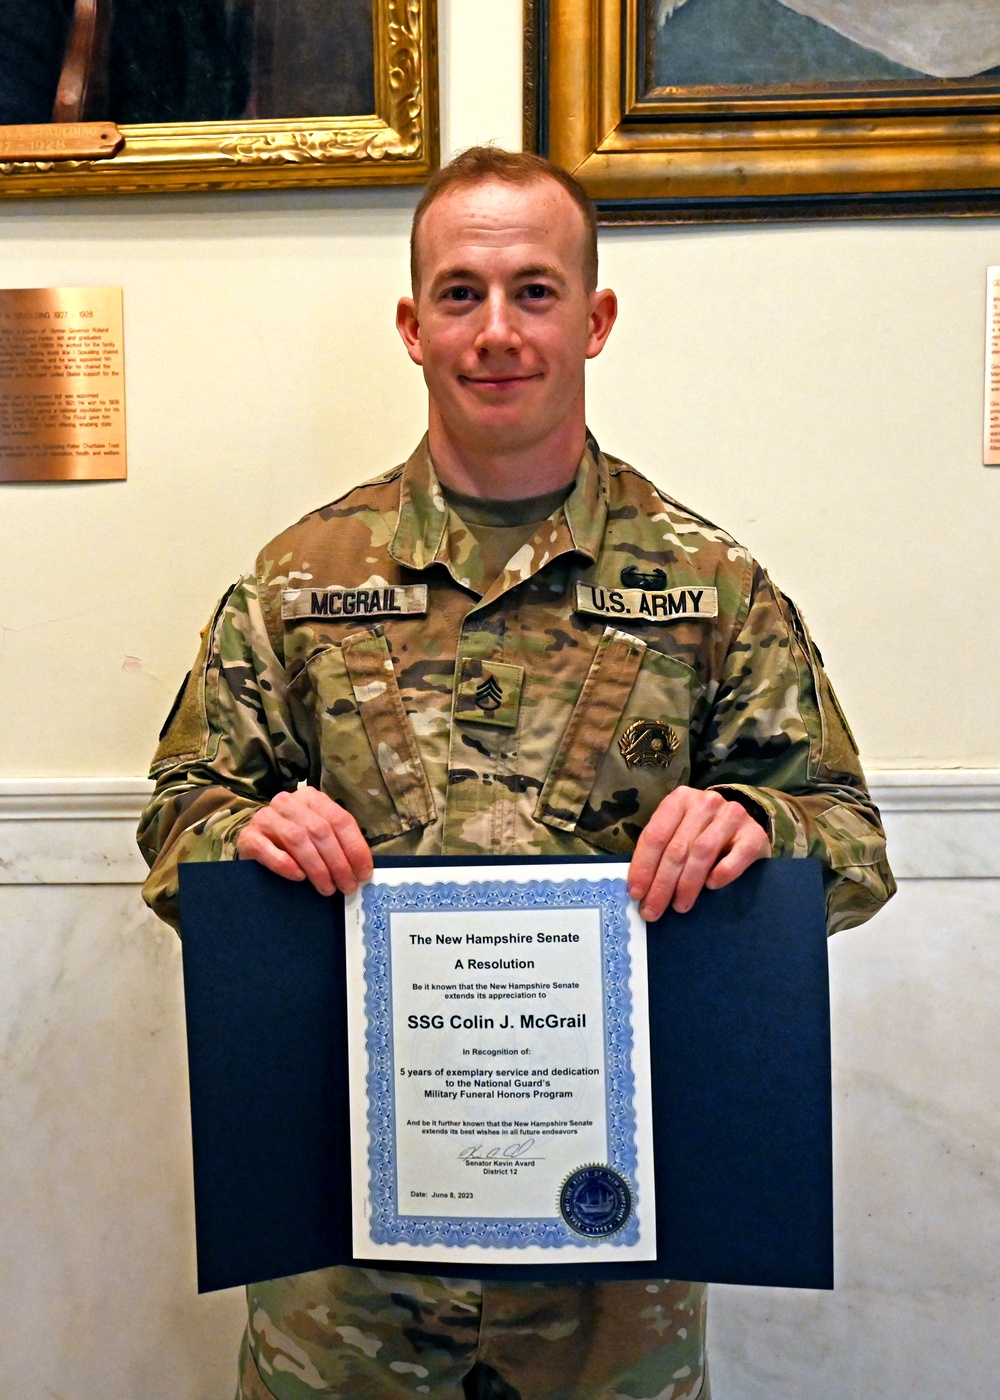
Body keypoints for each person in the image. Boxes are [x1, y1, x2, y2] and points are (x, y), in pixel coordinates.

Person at [138, 145, 894, 1400]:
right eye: (460, 292)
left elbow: (851, 843)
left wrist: (756, 827)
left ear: (594, 319)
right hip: (348, 1264)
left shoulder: (707, 585)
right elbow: (177, 814)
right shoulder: (298, 579)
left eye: (535, 291)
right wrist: (248, 838)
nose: (497, 330)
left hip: (609, 1271)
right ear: (411, 323)